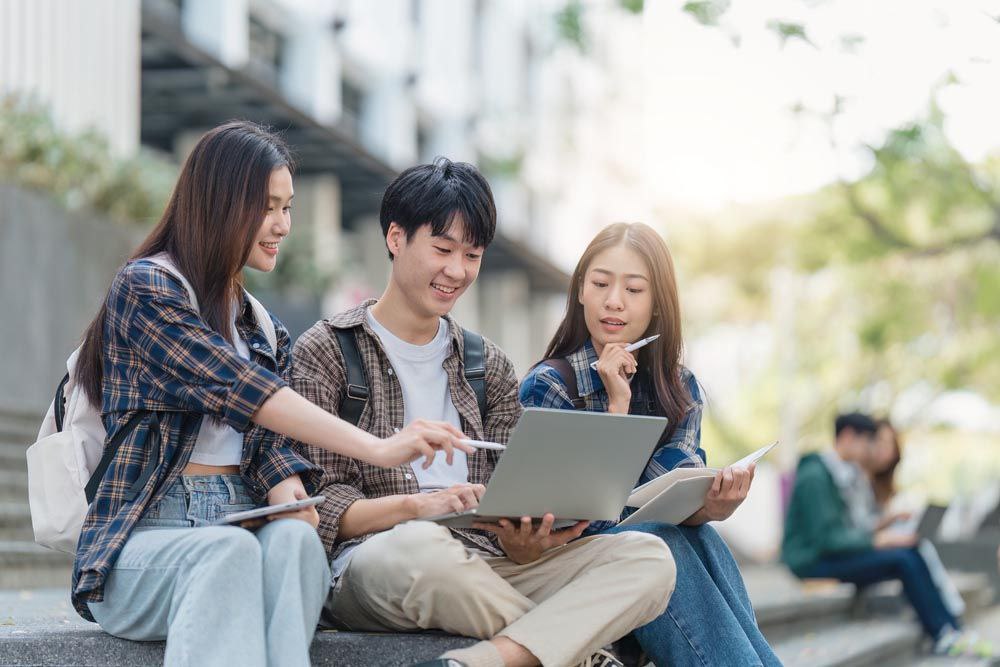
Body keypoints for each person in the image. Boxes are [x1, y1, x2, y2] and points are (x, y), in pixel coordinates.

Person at [72, 122, 467, 667]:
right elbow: (239, 389)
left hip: (240, 522)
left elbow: (269, 444)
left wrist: (290, 494)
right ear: (219, 204)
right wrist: (378, 448)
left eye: (288, 207)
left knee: (298, 544)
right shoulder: (146, 288)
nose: (283, 224)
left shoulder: (261, 327)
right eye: (267, 207)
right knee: (226, 552)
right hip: (143, 544)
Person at [284, 159, 676, 667]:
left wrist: (527, 541)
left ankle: (485, 660)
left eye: (472, 255)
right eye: (443, 249)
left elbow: (514, 502)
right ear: (396, 238)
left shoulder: (487, 363)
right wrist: (420, 507)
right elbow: (321, 508)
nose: (457, 271)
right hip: (381, 558)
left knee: (649, 558)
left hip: (486, 563)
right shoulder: (328, 349)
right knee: (419, 548)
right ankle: (581, 658)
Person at [519, 222, 779, 667]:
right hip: (569, 571)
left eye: (634, 289)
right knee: (657, 541)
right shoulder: (549, 386)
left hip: (651, 563)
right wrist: (616, 409)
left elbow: (665, 501)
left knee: (702, 537)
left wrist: (710, 507)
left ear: (658, 304)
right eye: (600, 283)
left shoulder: (680, 389)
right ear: (580, 291)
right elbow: (578, 519)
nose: (614, 300)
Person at [782, 412, 982, 656]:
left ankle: (951, 628)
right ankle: (941, 632)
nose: (870, 449)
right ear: (847, 436)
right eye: (867, 441)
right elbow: (828, 539)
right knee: (902, 560)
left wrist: (886, 527)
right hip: (812, 562)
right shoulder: (816, 476)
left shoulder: (838, 472)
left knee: (909, 552)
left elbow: (843, 532)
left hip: (828, 555)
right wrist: (878, 541)